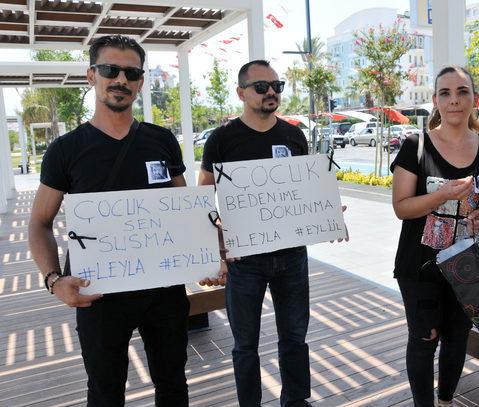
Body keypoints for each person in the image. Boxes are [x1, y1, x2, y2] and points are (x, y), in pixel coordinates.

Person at [28, 35, 189, 407]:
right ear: (91, 75)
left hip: (163, 288)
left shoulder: (161, 141)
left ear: (141, 81)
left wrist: (211, 253)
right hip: (97, 292)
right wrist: (54, 280)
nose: (121, 79)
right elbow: (39, 223)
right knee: (105, 390)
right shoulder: (66, 150)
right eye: (110, 70)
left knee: (173, 384)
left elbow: (186, 208)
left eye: (131, 72)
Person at [198, 60, 312, 407]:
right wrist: (218, 246)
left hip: (292, 256)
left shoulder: (294, 135)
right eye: (261, 87)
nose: (271, 92)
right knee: (244, 344)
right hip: (244, 259)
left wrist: (323, 211)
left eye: (277, 85)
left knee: (295, 337)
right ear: (241, 93)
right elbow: (204, 194)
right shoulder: (222, 139)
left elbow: (304, 189)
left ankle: (295, 400)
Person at [390, 66, 479, 407]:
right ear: (435, 101)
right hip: (420, 264)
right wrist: (442, 195)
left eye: (462, 92)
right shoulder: (415, 146)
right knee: (424, 338)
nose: (455, 100)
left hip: (470, 262)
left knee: (457, 337)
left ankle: (447, 400)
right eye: (446, 93)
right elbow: (402, 207)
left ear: (474, 100)